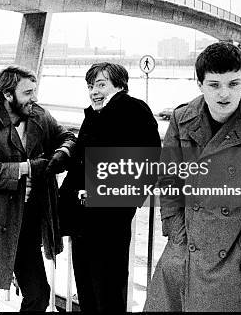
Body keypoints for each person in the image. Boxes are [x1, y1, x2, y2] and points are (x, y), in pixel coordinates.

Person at [144, 42, 241, 312]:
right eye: (214, 84)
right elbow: (169, 180)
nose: (224, 94)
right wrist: (180, 236)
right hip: (184, 257)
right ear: (200, 84)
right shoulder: (182, 119)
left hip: (236, 261)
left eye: (233, 83)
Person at [0, 65, 76, 311]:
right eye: (27, 93)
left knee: (38, 294)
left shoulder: (39, 116)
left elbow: (67, 136)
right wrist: (28, 167)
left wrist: (62, 152)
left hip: (26, 224)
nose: (34, 98)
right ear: (8, 95)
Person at [58, 62, 161, 312]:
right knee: (88, 289)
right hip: (85, 219)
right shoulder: (96, 114)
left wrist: (120, 204)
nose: (94, 91)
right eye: (91, 86)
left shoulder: (132, 110)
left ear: (120, 85)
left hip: (107, 221)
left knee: (107, 291)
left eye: (101, 84)